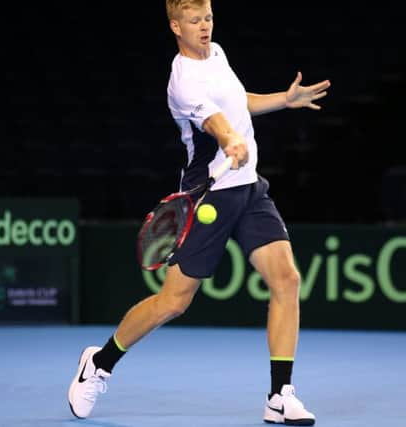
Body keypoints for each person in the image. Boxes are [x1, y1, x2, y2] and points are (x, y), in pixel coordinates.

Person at [68, 0, 330, 425]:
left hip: (249, 190)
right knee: (172, 302)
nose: (204, 26)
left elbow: (235, 103)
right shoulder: (181, 82)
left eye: (208, 17)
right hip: (207, 198)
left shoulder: (218, 54)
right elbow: (216, 122)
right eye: (194, 21)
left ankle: (280, 395)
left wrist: (285, 99)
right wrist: (230, 141)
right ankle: (99, 362)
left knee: (286, 278)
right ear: (175, 25)